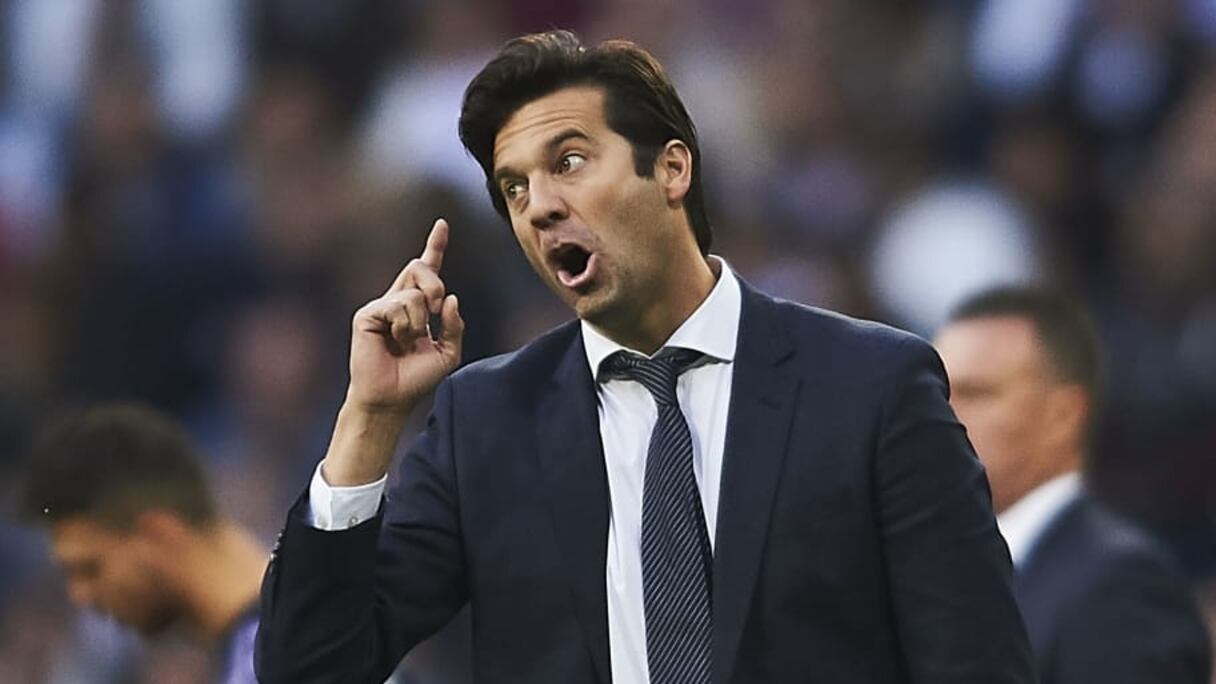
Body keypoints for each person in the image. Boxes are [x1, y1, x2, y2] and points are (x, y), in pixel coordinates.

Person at [256, 30, 1035, 684]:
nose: (540, 204)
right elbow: (311, 669)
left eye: (568, 161)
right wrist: (369, 420)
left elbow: (976, 663)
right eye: (514, 188)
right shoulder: (486, 422)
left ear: (671, 168)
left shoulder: (872, 387)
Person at [934, 286, 1212, 684]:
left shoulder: (1122, 586)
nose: (943, 415)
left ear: (1062, 415)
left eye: (977, 393)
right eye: (935, 393)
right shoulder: (934, 567)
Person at [18, 403, 265, 684]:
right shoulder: (262, 647)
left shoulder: (286, 654)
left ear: (157, 536)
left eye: (91, 568)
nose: (80, 595)